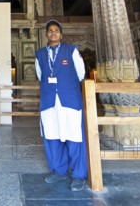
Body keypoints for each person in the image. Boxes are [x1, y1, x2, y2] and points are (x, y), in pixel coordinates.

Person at [35, 19, 88, 191]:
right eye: (50, 30)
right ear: (46, 34)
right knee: (52, 135)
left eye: (56, 30)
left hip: (69, 100)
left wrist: (65, 85)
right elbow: (40, 75)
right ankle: (59, 171)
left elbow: (81, 74)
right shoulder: (40, 54)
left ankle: (79, 175)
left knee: (74, 136)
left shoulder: (71, 51)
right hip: (49, 102)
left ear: (61, 34)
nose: (53, 33)